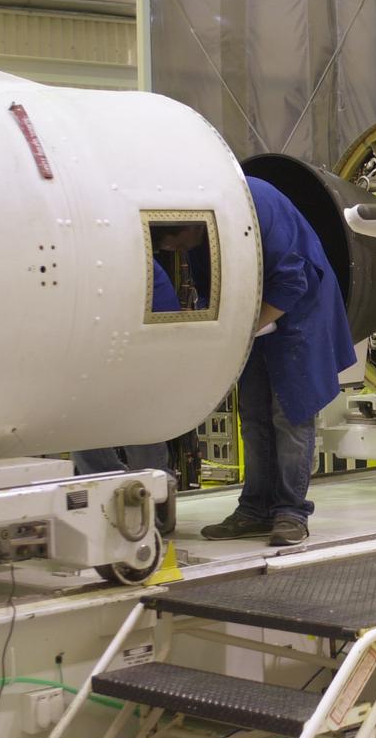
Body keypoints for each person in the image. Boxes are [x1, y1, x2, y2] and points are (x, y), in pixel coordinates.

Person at [183, 176, 356, 546]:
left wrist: (242, 329)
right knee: (254, 414)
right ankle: (255, 509)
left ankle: (292, 513)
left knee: (290, 414)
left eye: (176, 243)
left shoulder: (249, 205)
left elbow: (295, 281)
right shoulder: (200, 221)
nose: (179, 250)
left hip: (299, 313)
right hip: (258, 317)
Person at [71, 259, 181, 475]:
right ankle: (110, 484)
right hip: (101, 349)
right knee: (81, 422)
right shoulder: (90, 265)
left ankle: (154, 494)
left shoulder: (133, 262)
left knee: (137, 425)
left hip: (137, 350)